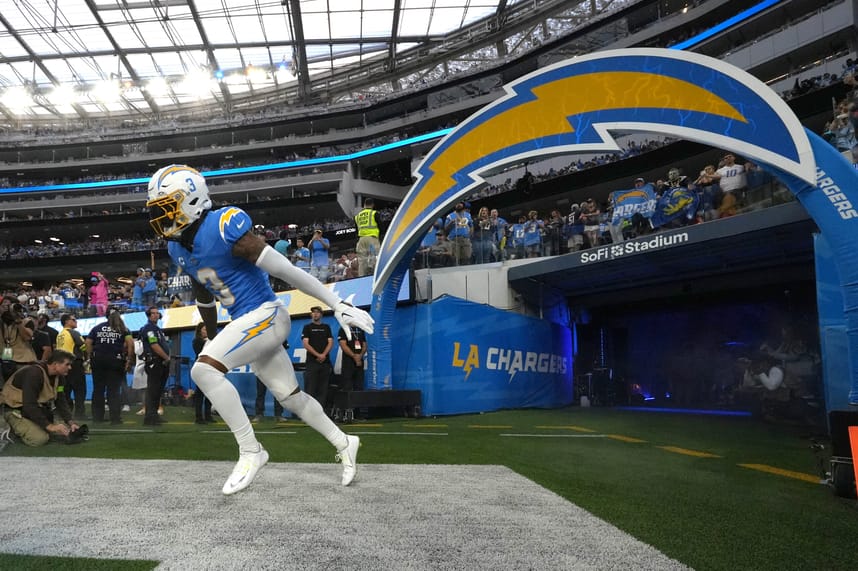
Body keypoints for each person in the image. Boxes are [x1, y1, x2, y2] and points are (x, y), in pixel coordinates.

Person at [145, 164, 374, 494]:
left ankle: (252, 450)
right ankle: (344, 441)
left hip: (267, 314)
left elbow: (285, 269)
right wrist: (209, 333)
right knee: (290, 396)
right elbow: (202, 294)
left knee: (203, 372)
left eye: (167, 207)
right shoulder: (177, 246)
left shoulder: (222, 226)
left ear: (191, 201)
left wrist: (333, 302)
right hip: (247, 323)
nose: (162, 218)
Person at [1, 350, 86, 446]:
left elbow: (60, 400)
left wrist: (70, 422)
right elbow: (29, 405)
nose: (70, 368)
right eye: (67, 364)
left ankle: (34, 427)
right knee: (40, 439)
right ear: (55, 364)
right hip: (15, 411)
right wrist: (50, 426)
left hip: (34, 410)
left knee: (63, 431)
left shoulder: (59, 378)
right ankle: (11, 431)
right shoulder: (34, 374)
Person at [86, 310, 133, 425]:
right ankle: (115, 418)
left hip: (98, 361)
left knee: (98, 390)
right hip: (115, 361)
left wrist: (90, 356)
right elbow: (130, 343)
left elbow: (88, 342)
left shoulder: (97, 328)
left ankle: (97, 417)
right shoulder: (123, 329)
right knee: (114, 391)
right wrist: (129, 359)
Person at [139, 306, 170, 426]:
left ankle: (154, 415)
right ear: (148, 315)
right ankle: (150, 417)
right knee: (153, 390)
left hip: (160, 362)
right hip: (155, 361)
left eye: (158, 313)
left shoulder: (156, 328)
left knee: (158, 390)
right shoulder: (149, 329)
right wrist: (166, 357)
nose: (156, 315)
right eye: (153, 313)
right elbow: (154, 345)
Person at [302, 306, 334, 413]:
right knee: (311, 388)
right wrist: (317, 355)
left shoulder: (326, 327)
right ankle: (309, 412)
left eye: (318, 312)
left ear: (321, 314)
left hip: (325, 362)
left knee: (323, 388)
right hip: (312, 362)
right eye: (313, 312)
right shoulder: (307, 327)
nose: (315, 314)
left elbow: (330, 342)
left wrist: (323, 354)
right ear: (311, 315)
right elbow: (306, 343)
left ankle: (320, 412)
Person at [55, 313, 87, 419]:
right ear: (67, 322)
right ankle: (80, 413)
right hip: (74, 363)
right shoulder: (73, 332)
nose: (76, 321)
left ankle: (66, 413)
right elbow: (84, 346)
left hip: (61, 364)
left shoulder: (60, 335)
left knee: (65, 390)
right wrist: (86, 357)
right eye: (73, 319)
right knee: (80, 389)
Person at [1, 301, 37, 381]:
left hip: (23, 362)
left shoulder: (27, 321)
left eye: (8, 306)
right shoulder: (3, 323)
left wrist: (18, 321)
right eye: (4, 306)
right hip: (7, 360)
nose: (6, 309)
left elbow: (26, 337)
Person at [192, 322, 215, 424]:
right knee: (200, 394)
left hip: (210, 368)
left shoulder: (211, 341)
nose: (206, 331)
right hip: (201, 368)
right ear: (200, 331)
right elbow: (200, 352)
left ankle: (208, 415)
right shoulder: (197, 341)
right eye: (204, 329)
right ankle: (198, 417)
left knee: (210, 393)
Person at [355, 197, 380, 277]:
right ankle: (376, 275)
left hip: (361, 240)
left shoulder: (357, 216)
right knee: (375, 258)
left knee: (362, 261)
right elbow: (381, 226)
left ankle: (362, 277)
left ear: (364, 205)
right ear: (372, 205)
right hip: (372, 239)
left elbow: (356, 230)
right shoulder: (374, 213)